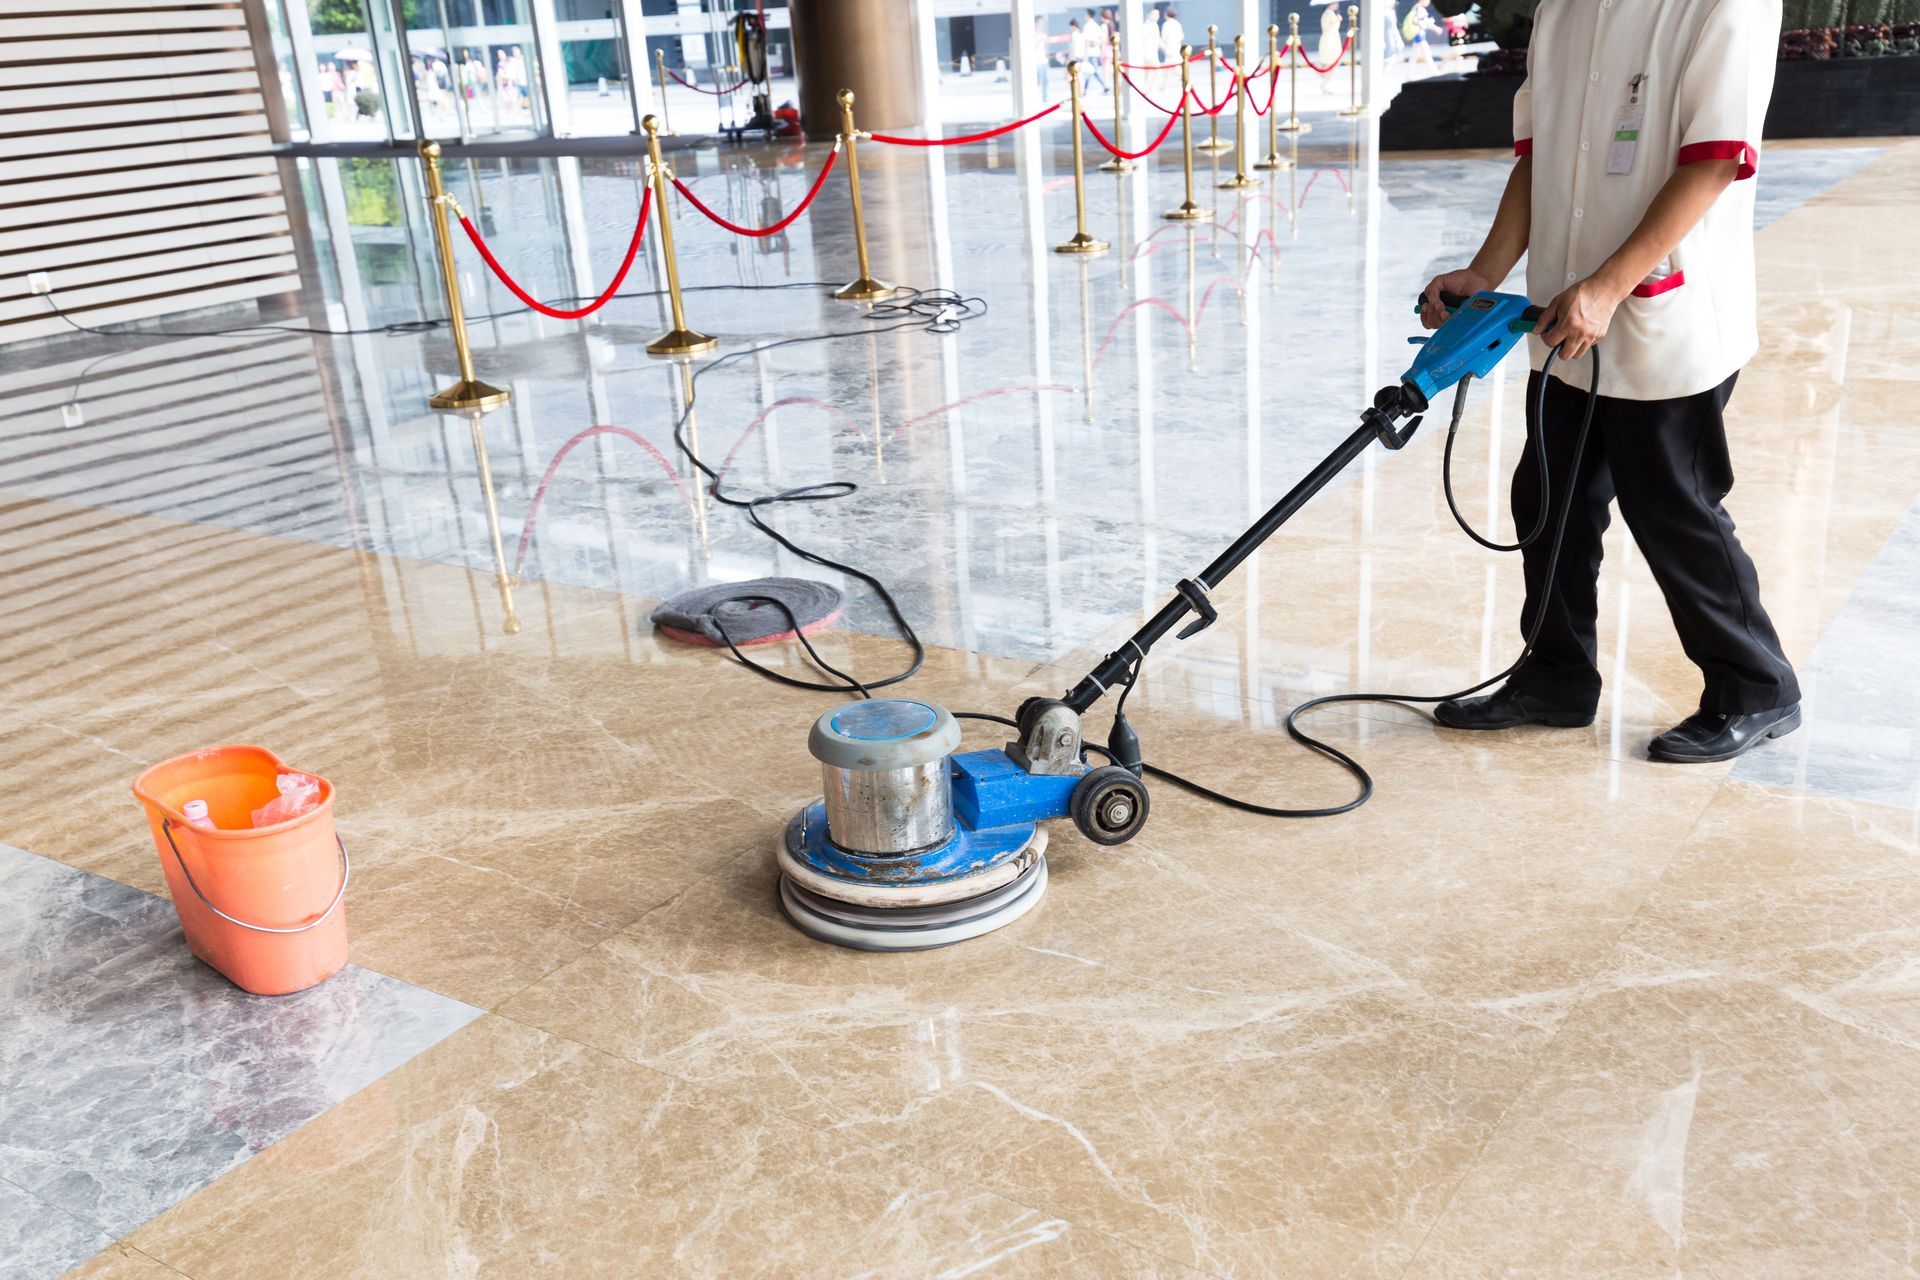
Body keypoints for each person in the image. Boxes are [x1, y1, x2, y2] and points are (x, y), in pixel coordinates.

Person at [1418, 0, 1800, 763]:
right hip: (1566, 313)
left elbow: (1716, 158)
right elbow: (1542, 156)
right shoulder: (1565, 8)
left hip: (1666, 312)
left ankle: (1756, 687)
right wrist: (1486, 273)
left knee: (1673, 507)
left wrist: (1611, 285)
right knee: (1549, 498)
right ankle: (1555, 678)